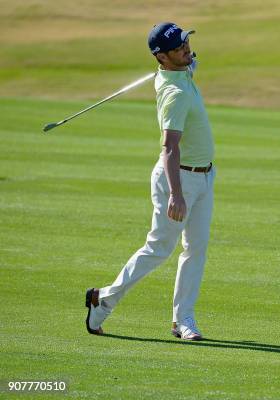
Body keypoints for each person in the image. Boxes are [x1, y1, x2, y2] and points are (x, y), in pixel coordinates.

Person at [85, 22, 216, 341]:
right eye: (178, 48)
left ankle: (183, 318)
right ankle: (104, 299)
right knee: (159, 248)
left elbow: (188, 63)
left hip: (205, 174)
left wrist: (186, 60)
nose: (186, 49)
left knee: (195, 249)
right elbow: (169, 147)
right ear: (161, 58)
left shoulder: (180, 70)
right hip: (179, 179)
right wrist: (176, 195)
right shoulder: (173, 93)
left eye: (186, 42)